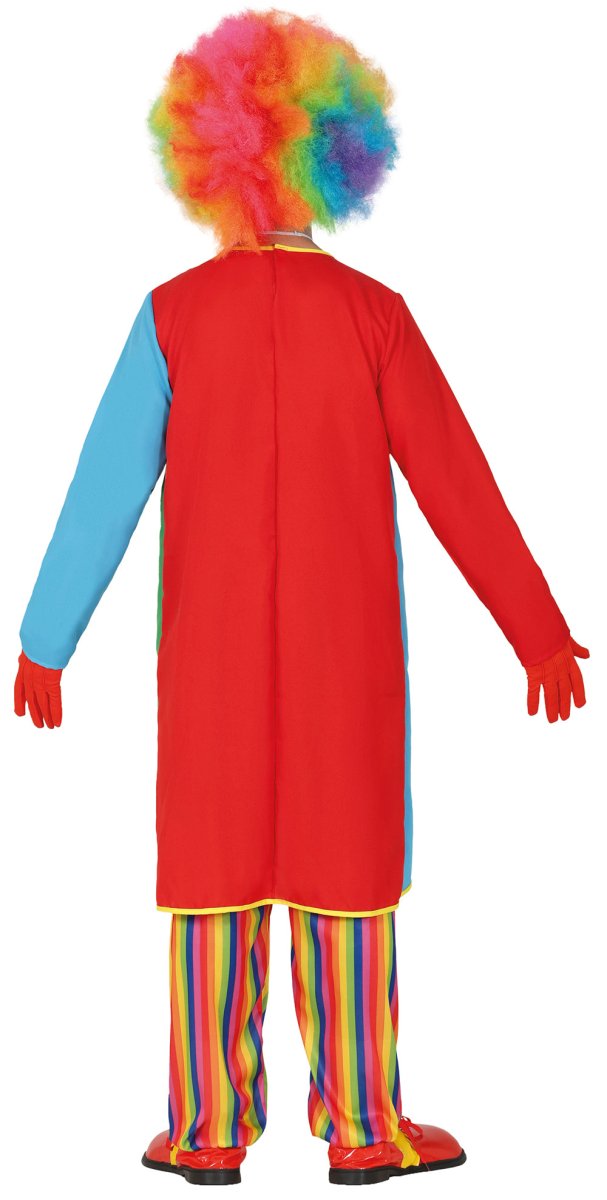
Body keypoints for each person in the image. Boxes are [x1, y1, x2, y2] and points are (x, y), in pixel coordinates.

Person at [14, 9, 589, 1188]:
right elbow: (459, 485)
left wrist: (45, 640)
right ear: (337, 157)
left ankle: (206, 1126)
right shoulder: (372, 316)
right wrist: (535, 631)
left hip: (211, 670)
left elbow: (101, 493)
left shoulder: (175, 316)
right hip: (346, 666)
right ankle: (364, 1122)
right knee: (346, 875)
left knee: (215, 874)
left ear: (211, 158)